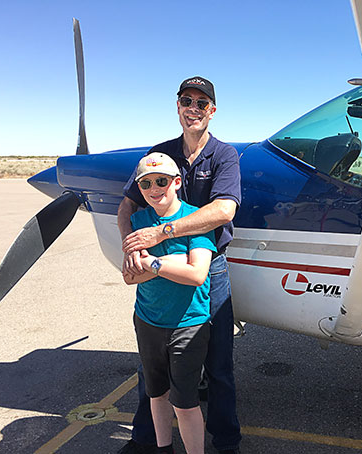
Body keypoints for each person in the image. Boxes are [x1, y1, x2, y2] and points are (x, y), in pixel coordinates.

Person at [118, 76, 242, 454]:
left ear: (212, 111)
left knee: (218, 364)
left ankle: (226, 442)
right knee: (150, 368)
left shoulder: (224, 155)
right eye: (186, 100)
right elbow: (127, 207)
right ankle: (146, 440)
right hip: (157, 272)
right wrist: (130, 247)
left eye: (202, 103)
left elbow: (224, 210)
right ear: (177, 106)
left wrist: (160, 234)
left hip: (208, 268)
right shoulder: (160, 155)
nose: (193, 108)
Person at [124, 152, 216, 454]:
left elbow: (197, 274)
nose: (154, 189)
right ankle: (163, 449)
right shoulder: (138, 221)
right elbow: (129, 277)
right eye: (146, 183)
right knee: (156, 394)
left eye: (161, 181)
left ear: (176, 182)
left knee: (186, 402)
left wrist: (152, 264)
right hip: (149, 320)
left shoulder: (194, 220)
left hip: (188, 325)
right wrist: (171, 262)